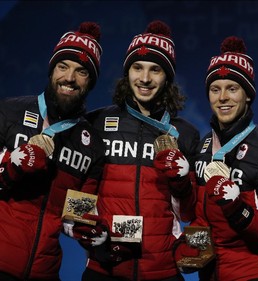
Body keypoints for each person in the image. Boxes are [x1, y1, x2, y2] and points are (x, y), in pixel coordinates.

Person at [77, 20, 200, 281]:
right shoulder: (96, 123)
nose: (144, 79)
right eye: (137, 68)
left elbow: (189, 213)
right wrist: (86, 231)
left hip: (162, 271)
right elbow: (78, 190)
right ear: (127, 72)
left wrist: (182, 182)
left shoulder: (185, 134)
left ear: (167, 77)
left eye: (155, 69)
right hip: (104, 269)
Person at [175, 36, 258, 280]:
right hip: (214, 273)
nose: (223, 98)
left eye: (232, 88)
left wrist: (239, 210)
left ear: (247, 94)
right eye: (215, 89)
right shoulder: (205, 146)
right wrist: (191, 248)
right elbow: (202, 215)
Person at [0, 22, 105, 280]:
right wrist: (13, 163)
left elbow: (73, 215)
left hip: (45, 272)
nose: (69, 78)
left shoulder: (91, 144)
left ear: (90, 82)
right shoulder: (9, 112)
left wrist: (91, 231)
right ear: (51, 71)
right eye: (63, 66)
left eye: (81, 71)